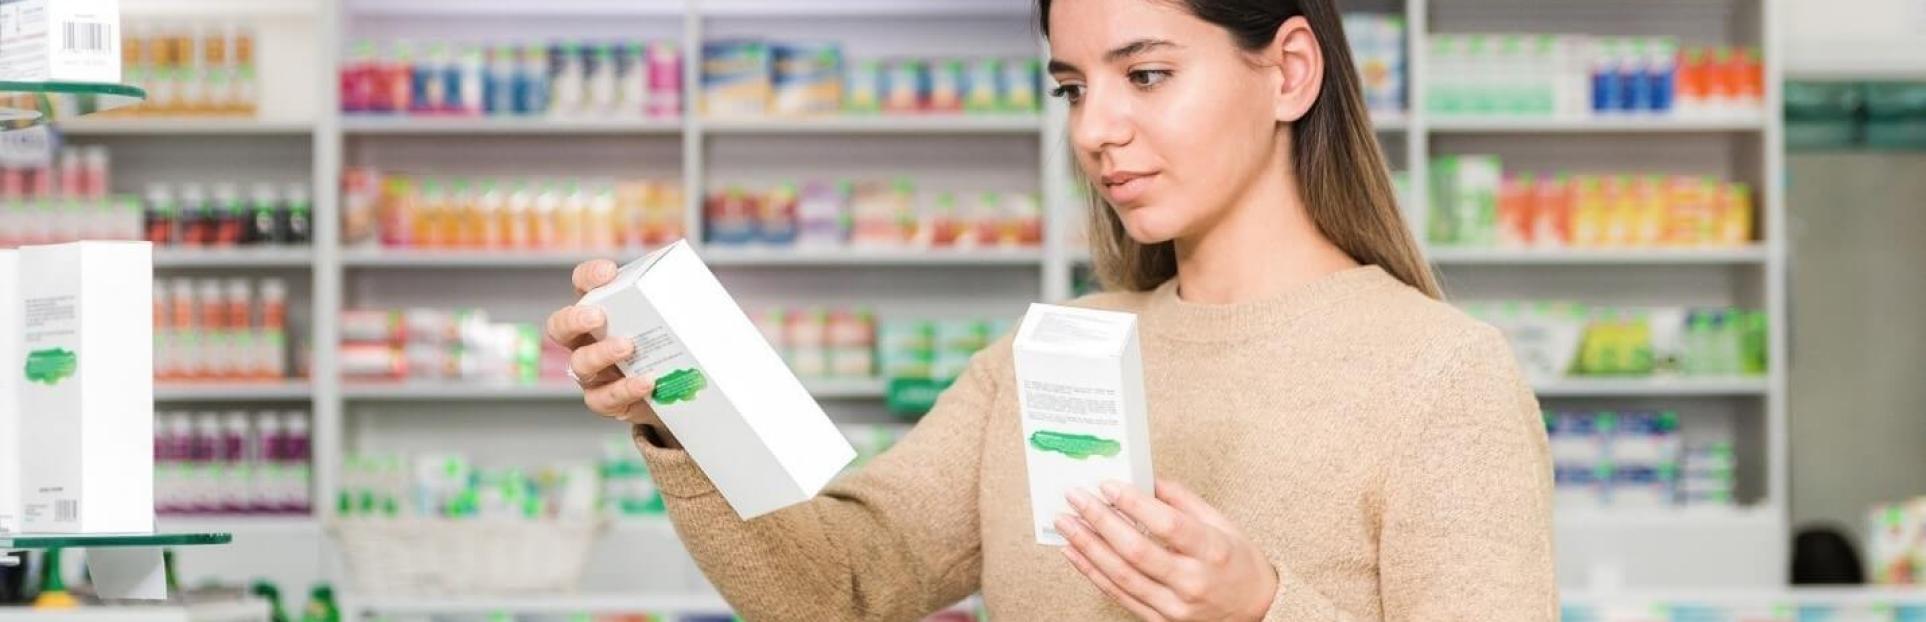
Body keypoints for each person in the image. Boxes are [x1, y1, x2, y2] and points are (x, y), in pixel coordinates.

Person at [545, 0, 1555, 619]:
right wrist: (682, 412)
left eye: (1146, 74)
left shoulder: (1440, 373)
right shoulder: (1044, 354)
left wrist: (1262, 608)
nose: (1097, 129)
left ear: (1288, 71)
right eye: (1072, 86)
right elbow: (839, 586)